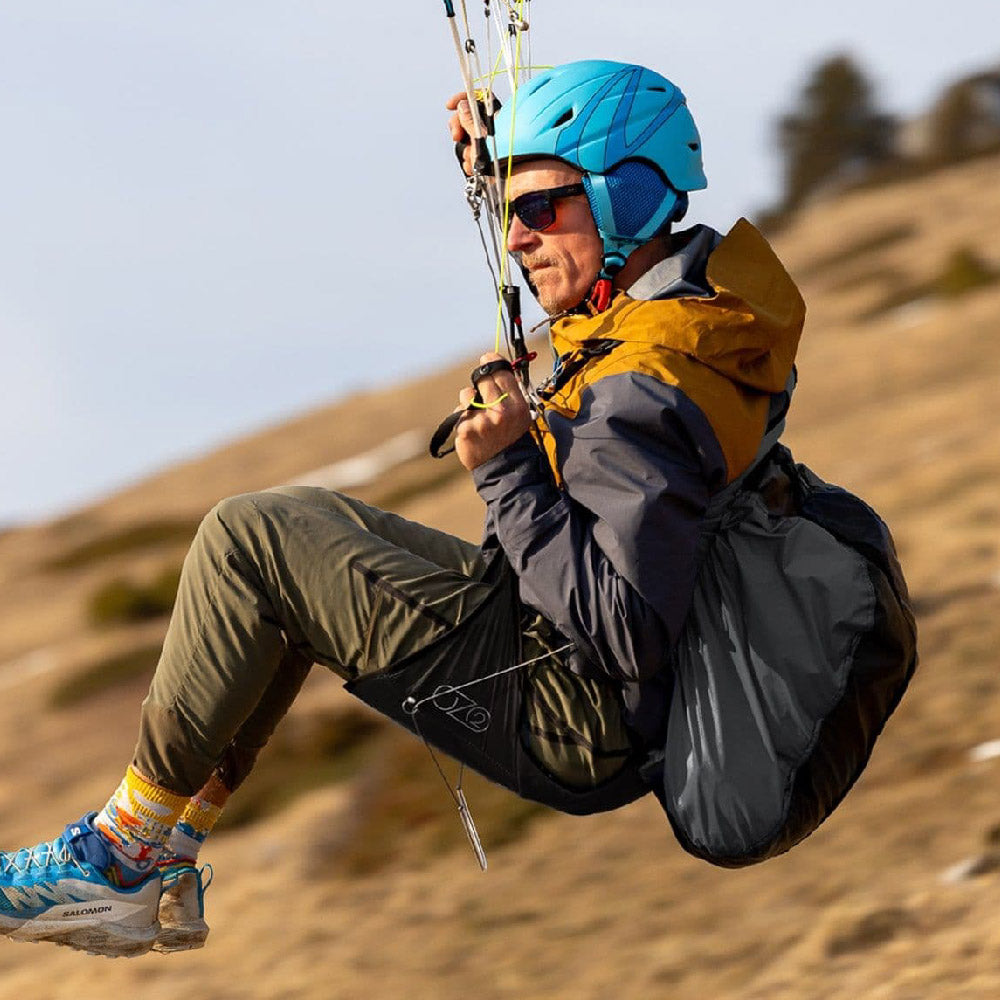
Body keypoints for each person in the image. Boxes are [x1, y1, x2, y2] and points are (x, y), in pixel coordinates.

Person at [0, 59, 804, 957]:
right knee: (297, 540)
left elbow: (625, 632)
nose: (516, 238)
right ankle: (167, 850)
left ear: (628, 200)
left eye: (540, 211)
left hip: (578, 715)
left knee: (246, 540)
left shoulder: (641, 387)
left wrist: (507, 471)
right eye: (512, 211)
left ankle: (120, 858)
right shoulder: (696, 310)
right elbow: (598, 278)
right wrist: (501, 158)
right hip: (584, 677)